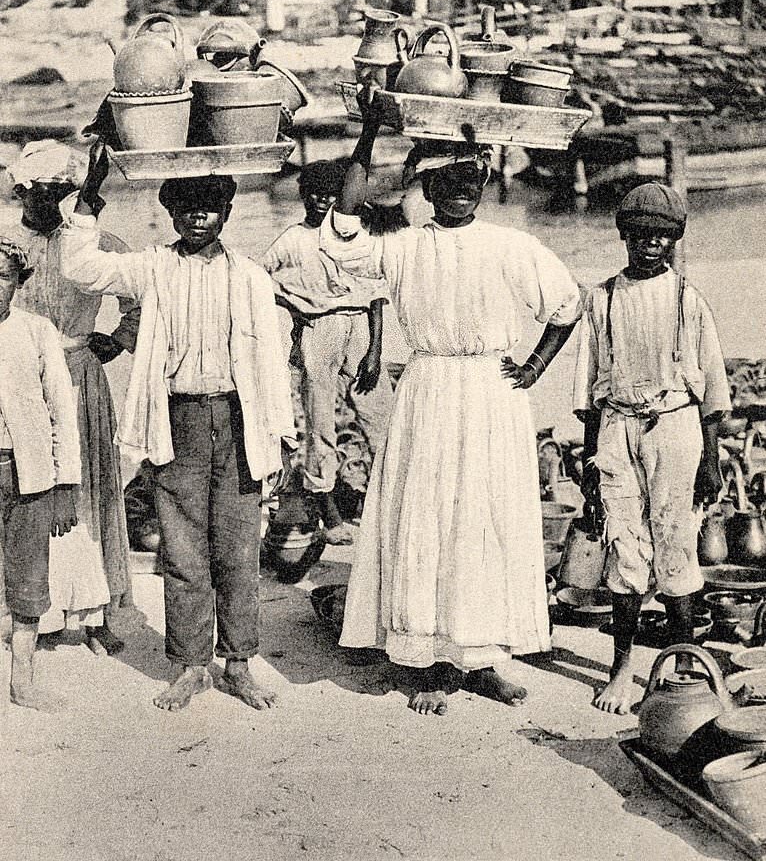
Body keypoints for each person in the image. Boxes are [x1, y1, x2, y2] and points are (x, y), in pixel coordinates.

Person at [319, 101, 582, 716]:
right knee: (430, 516)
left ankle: (482, 656)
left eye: (471, 180)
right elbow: (340, 228)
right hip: (430, 389)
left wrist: (536, 366)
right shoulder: (404, 247)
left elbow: (567, 306)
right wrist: (370, 132)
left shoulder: (513, 246)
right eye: (447, 182)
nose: (461, 191)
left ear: (484, 186)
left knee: (487, 517)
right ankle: (433, 661)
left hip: (492, 393)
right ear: (427, 189)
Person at [59, 146, 295, 712]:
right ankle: (191, 665)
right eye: (186, 208)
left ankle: (237, 662)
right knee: (184, 550)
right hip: (178, 420)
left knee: (238, 548)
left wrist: (281, 436)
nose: (197, 218)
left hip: (239, 421)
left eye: (209, 209)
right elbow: (81, 267)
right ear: (170, 213)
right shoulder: (152, 267)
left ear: (226, 214)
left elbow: (272, 361)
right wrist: (92, 192)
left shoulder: (252, 277)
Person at [573, 182, 731, 716]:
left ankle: (681, 665)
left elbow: (712, 391)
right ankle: (621, 669)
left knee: (677, 543)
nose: (651, 245)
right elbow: (590, 391)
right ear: (624, 236)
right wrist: (592, 463)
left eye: (663, 237)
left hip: (677, 427)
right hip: (617, 427)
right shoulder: (602, 298)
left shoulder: (689, 298)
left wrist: (710, 459)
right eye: (641, 235)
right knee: (625, 545)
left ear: (675, 241)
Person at [9, 140, 139, 655]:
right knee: (23, 489)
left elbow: (141, 297)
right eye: (42, 191)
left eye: (63, 191)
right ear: (20, 190)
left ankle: (93, 611)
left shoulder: (92, 242)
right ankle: (25, 610)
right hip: (17, 381)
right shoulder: (4, 243)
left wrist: (118, 338)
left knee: (87, 491)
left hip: (79, 373)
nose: (53, 201)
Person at [260, 159, 393, 542]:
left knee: (380, 419)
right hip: (319, 329)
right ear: (303, 196)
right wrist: (294, 304)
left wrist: (376, 351)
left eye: (332, 194)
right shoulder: (293, 238)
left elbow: (377, 295)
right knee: (320, 424)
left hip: (361, 329)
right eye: (314, 193)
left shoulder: (356, 236)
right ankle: (329, 512)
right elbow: (256, 277)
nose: (323, 200)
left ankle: (386, 503)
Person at [0, 236, 80, 710]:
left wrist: (65, 484)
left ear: (19, 283)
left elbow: (61, 412)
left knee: (28, 576)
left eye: (3, 277)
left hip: (27, 475)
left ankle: (22, 675)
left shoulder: (36, 331)